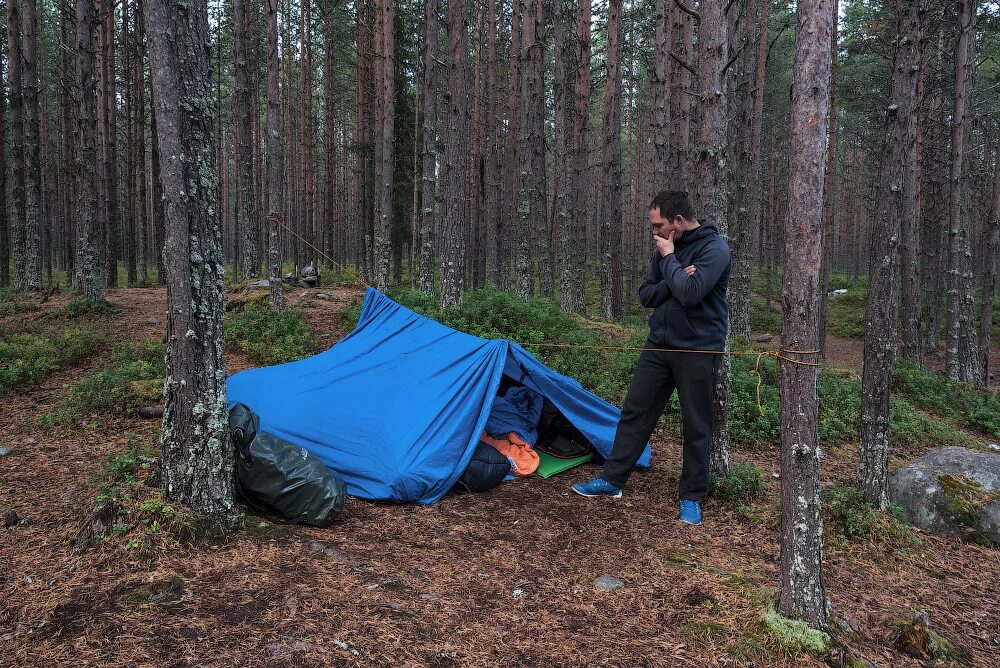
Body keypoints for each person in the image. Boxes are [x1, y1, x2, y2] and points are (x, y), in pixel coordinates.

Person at [571, 190, 731, 526]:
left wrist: (670, 262)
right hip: (659, 344)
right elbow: (646, 294)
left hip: (699, 350)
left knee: (696, 426)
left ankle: (691, 498)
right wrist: (675, 276)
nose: (654, 232)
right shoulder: (663, 246)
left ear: (677, 223)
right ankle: (612, 480)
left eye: (658, 225)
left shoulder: (714, 249)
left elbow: (691, 294)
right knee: (635, 412)